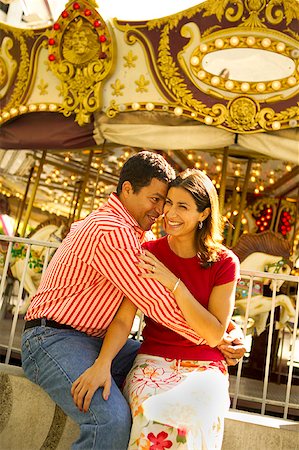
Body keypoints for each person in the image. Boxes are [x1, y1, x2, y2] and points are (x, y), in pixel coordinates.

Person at [21, 152, 245, 450]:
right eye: (157, 199)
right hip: (53, 338)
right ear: (127, 189)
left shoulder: (136, 231)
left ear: (203, 214)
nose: (162, 211)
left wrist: (227, 329)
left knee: (155, 360)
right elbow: (155, 301)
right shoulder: (111, 231)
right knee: (110, 420)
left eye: (166, 201)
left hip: (90, 338)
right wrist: (217, 337)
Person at [75, 168, 241, 449]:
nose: (170, 213)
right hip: (153, 361)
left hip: (205, 366)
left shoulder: (225, 263)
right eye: (169, 203)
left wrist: (175, 284)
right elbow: (123, 320)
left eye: (183, 206)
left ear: (203, 214)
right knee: (152, 420)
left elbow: (214, 334)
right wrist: (102, 363)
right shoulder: (149, 252)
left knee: (192, 420)